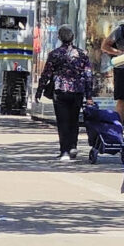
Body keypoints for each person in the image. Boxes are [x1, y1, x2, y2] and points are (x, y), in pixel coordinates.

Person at [40, 26, 95, 162]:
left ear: (59, 38)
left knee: (62, 121)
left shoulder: (55, 54)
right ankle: (73, 146)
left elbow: (47, 73)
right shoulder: (82, 54)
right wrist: (89, 95)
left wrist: (39, 90)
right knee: (74, 119)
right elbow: (88, 75)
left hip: (60, 91)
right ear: (73, 37)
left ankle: (64, 150)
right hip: (78, 91)